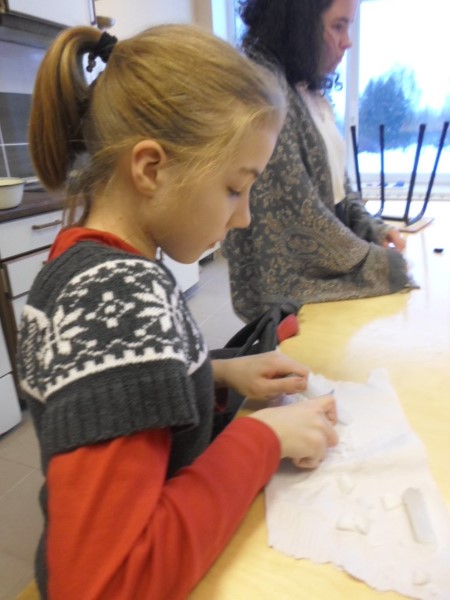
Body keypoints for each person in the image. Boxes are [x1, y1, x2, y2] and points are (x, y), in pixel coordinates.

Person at [18, 24, 339, 600]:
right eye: (234, 188)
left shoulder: (83, 262)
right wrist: (263, 438)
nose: (242, 218)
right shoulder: (117, 294)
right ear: (151, 168)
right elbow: (106, 585)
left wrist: (212, 372)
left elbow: (105, 386)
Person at [223, 0, 414, 323]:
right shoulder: (265, 91)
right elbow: (299, 219)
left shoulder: (305, 89)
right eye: (338, 26)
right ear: (300, 23)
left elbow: (340, 188)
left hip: (325, 278)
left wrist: (371, 227)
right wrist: (381, 266)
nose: (347, 41)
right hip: (293, 303)